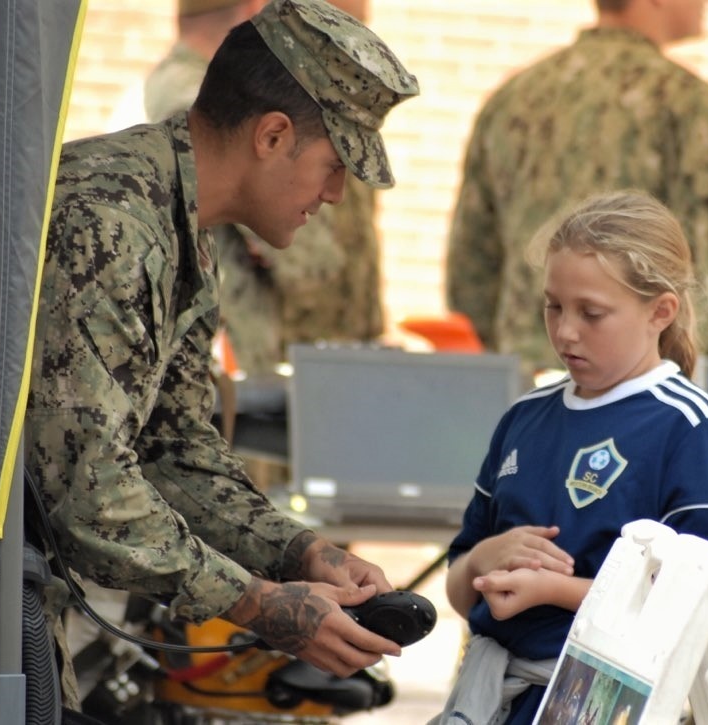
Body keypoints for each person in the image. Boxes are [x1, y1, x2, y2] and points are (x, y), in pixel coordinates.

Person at [24, 0, 418, 710]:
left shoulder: (179, 228)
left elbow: (172, 449)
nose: (334, 195)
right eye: (333, 166)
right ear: (272, 135)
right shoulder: (113, 226)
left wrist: (300, 553)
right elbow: (90, 491)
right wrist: (262, 604)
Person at [430, 189, 708, 724]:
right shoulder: (523, 417)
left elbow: (707, 608)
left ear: (660, 311)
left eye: (592, 313)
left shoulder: (692, 428)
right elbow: (461, 589)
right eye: (553, 306)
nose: (565, 331)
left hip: (611, 703)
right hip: (491, 700)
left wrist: (555, 591)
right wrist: (487, 559)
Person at [446, 0, 708, 378]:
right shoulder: (692, 109)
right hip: (640, 404)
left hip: (526, 390)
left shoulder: (515, 100)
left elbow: (471, 272)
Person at [145, 0, 383, 377]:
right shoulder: (192, 94)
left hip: (302, 348)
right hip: (256, 354)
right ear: (258, 11)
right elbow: (311, 261)